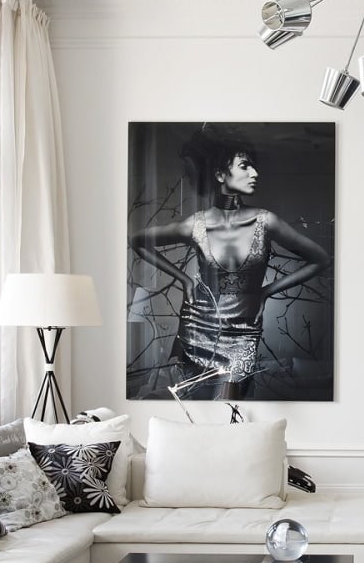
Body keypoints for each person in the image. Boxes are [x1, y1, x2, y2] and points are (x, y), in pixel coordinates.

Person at [129, 137, 331, 398]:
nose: (255, 173)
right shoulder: (196, 225)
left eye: (254, 167)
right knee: (198, 405)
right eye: (245, 166)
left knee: (230, 405)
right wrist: (184, 280)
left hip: (243, 333)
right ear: (220, 174)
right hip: (198, 326)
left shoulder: (265, 221)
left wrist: (266, 292)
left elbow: (321, 259)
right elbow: (138, 241)